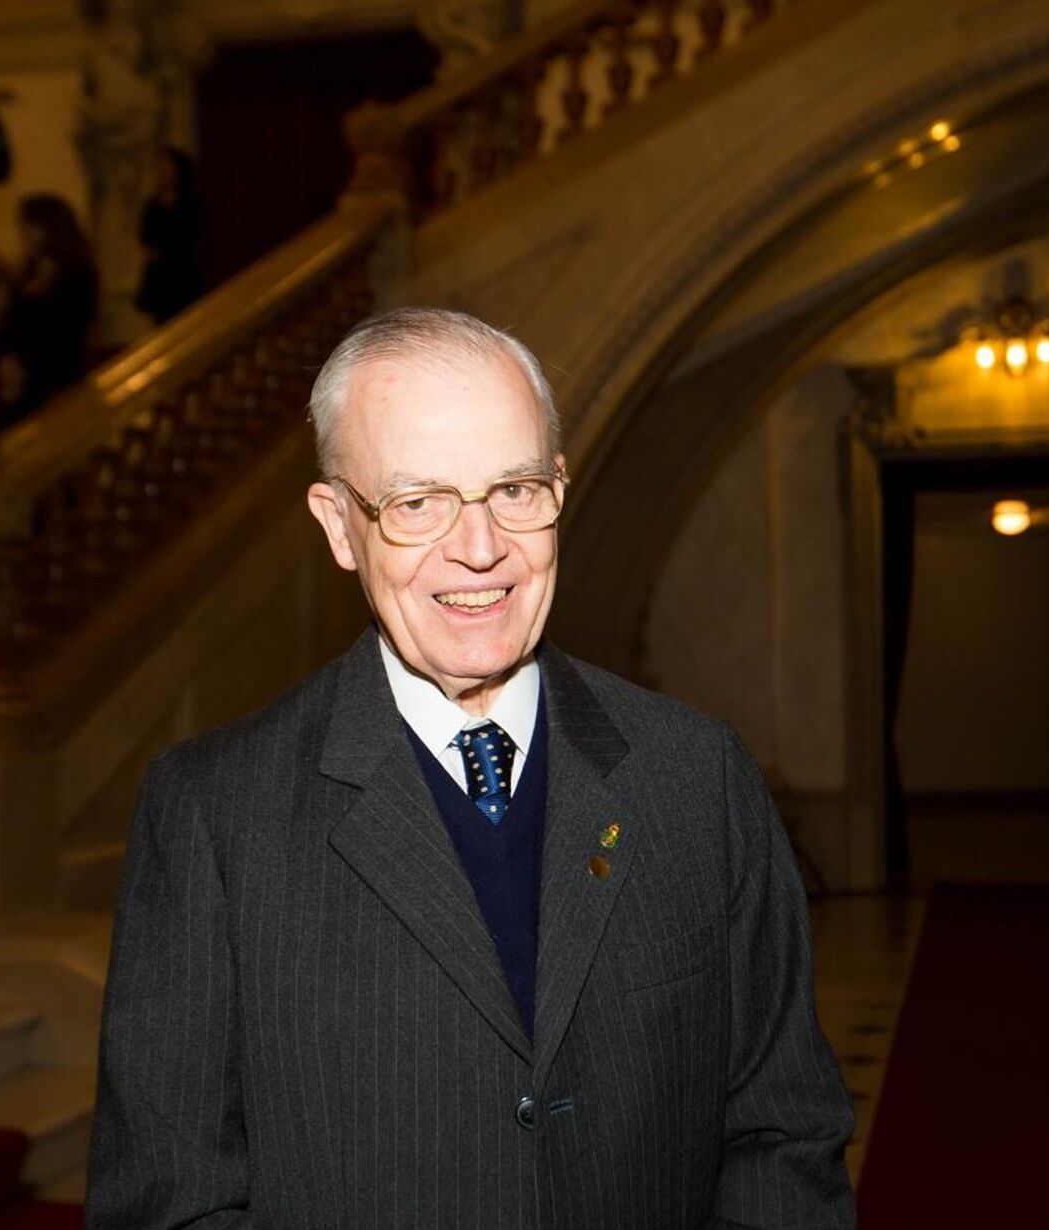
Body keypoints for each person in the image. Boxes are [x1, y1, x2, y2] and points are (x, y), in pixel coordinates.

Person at [88, 307, 856, 1228]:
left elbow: (783, 1137)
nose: (481, 548)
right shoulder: (214, 815)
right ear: (340, 526)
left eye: (515, 491)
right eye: (418, 505)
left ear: (560, 488)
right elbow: (170, 1204)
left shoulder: (698, 777)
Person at [0, 193, 98, 427]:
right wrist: (7, 359)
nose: (23, 234)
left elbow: (67, 331)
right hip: (21, 381)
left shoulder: (76, 272)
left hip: (54, 382)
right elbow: (10, 323)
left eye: (29, 226)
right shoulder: (26, 271)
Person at [133, 147, 203, 325]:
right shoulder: (153, 204)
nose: (162, 172)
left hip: (183, 270)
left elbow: (195, 233)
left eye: (167, 167)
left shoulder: (190, 203)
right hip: (161, 275)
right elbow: (145, 235)